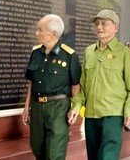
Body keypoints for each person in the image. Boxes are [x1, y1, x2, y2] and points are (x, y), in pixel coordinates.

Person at [67, 9, 130, 160]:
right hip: (91, 115)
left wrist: (129, 110)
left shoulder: (125, 54)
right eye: (97, 24)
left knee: (107, 156)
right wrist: (76, 106)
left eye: (104, 24)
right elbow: (83, 86)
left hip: (113, 115)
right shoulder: (89, 52)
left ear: (115, 28)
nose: (99, 27)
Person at [22, 14, 81, 160]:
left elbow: (76, 86)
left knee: (55, 153)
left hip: (58, 108)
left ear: (53, 33)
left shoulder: (69, 56)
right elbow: (32, 82)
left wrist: (74, 109)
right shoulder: (36, 53)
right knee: (37, 148)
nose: (37, 33)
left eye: (40, 30)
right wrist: (26, 107)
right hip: (37, 108)